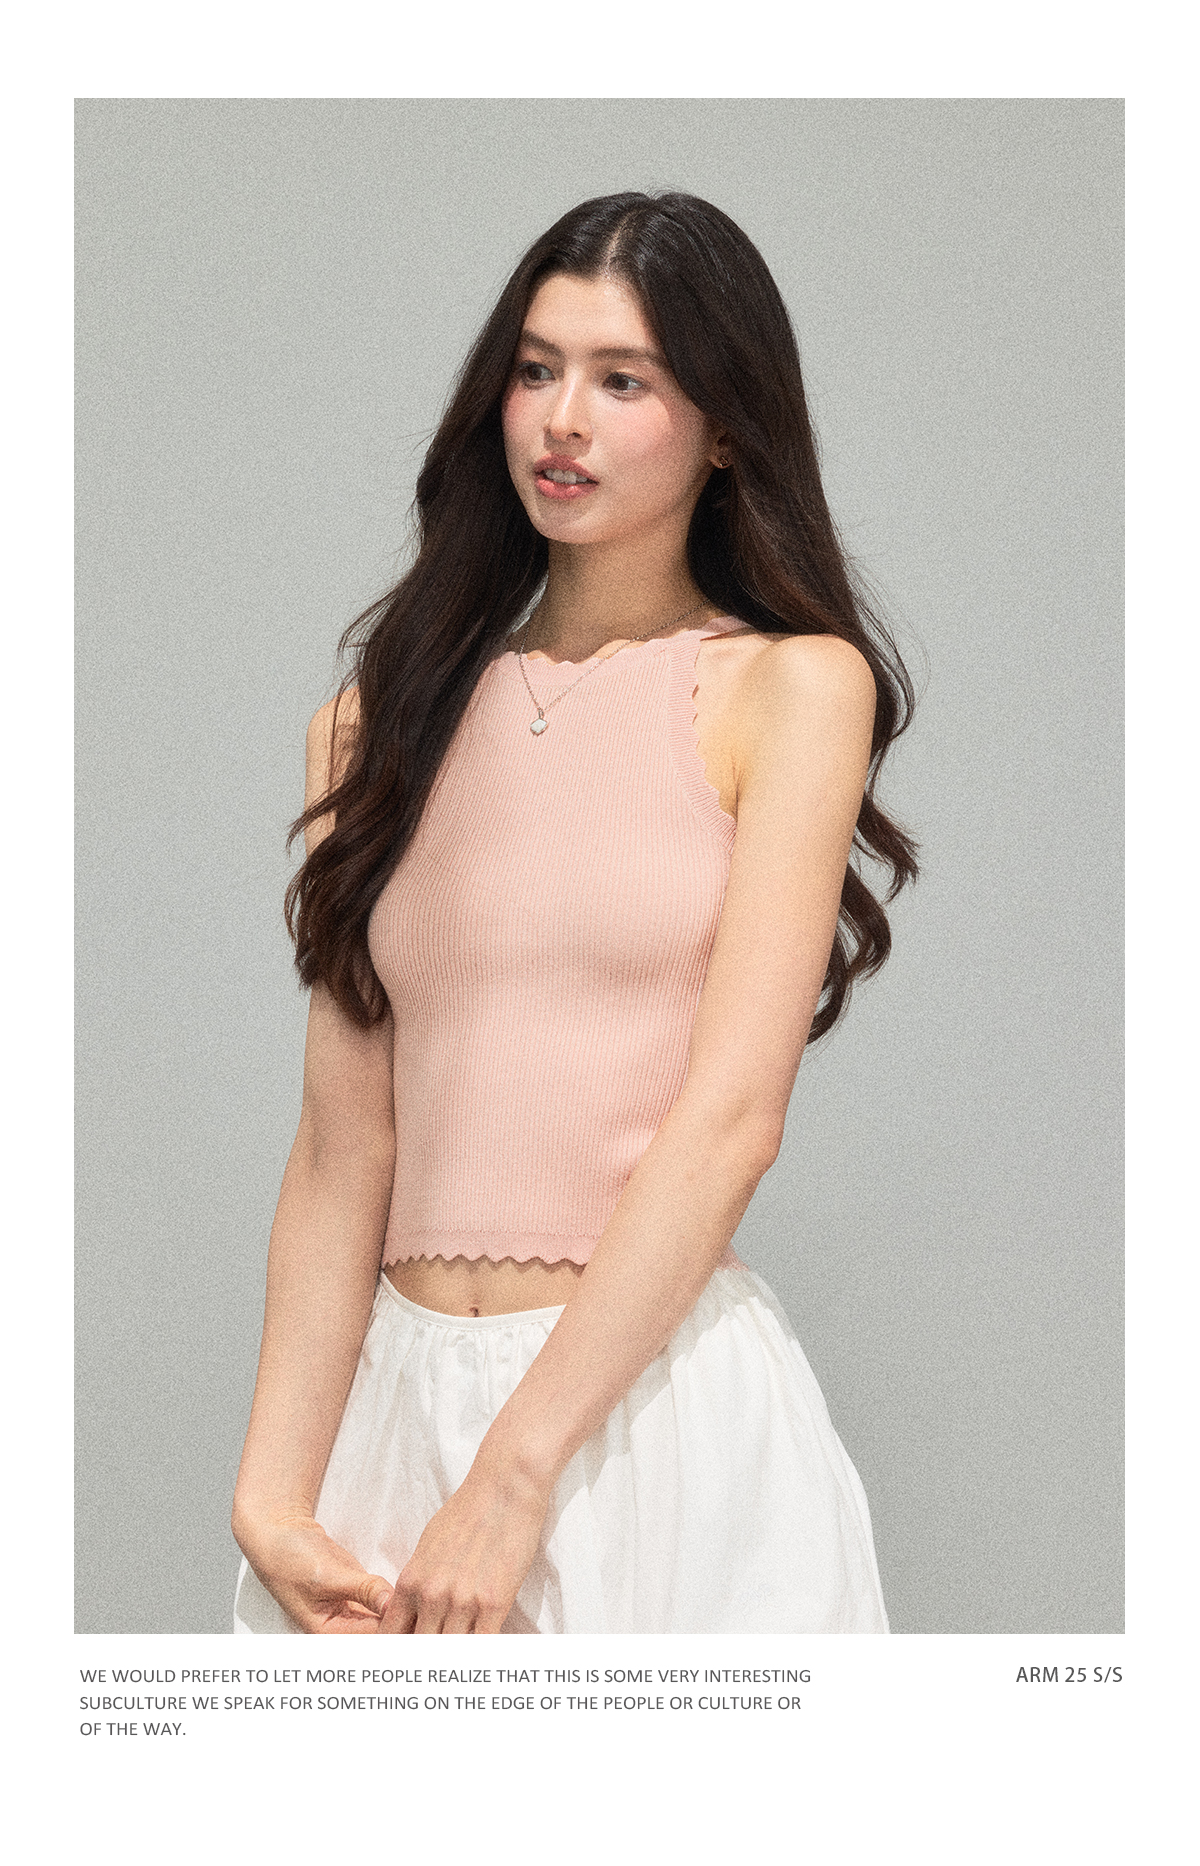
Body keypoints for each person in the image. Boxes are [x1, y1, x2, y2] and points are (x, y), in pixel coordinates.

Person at [231, 191, 917, 1636]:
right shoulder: (372, 728)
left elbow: (732, 1122)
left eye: (624, 381)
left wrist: (516, 1472)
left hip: (646, 1420)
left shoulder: (791, 689)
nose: (562, 420)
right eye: (537, 370)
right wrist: (274, 1495)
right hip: (396, 1422)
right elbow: (343, 1148)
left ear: (724, 428)